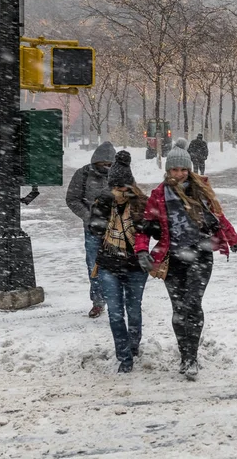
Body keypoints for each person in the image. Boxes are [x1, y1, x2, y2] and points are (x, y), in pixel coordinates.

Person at [135, 138, 237, 380]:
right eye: (174, 169)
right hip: (172, 259)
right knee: (178, 309)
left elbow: (218, 216)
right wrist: (142, 250)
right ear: (167, 170)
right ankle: (185, 355)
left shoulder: (200, 190)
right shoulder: (159, 195)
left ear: (189, 169)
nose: (179, 174)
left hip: (200, 256)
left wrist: (231, 237)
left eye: (183, 169)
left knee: (193, 304)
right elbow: (145, 227)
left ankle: (191, 358)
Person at [89, 151, 152, 373]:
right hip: (109, 265)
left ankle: (133, 346)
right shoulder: (104, 201)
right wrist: (104, 207)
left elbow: (152, 230)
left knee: (133, 311)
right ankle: (124, 357)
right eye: (116, 186)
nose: (120, 191)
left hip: (135, 266)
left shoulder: (141, 203)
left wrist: (140, 218)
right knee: (116, 313)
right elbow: (95, 229)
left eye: (124, 186)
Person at [66, 141, 116, 318]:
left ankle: (117, 302)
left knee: (118, 267)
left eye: (110, 165)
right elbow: (72, 199)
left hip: (116, 230)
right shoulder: (83, 174)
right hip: (93, 230)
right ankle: (98, 301)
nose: (106, 168)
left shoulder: (119, 175)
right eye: (103, 164)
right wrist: (89, 217)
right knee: (94, 265)